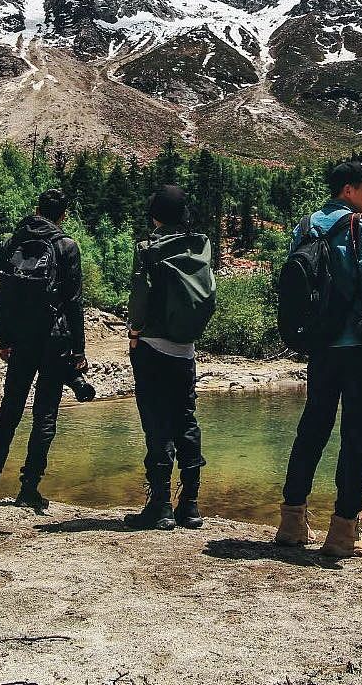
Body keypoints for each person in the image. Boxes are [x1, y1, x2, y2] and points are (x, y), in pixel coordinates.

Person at [274, 161, 362, 559]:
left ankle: (291, 522)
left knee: (312, 430)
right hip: (361, 349)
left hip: (322, 347)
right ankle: (343, 532)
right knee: (356, 438)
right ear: (349, 190)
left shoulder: (306, 227)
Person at [0, 188, 86, 513]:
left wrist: (3, 339)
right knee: (45, 416)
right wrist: (78, 349)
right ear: (63, 215)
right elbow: (74, 301)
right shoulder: (66, 247)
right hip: (53, 340)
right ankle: (28, 489)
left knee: (8, 414)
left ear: (37, 209)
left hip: (20, 340)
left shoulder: (12, 244)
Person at [124, 185, 214, 532]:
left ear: (155, 214)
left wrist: (134, 332)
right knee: (186, 420)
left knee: (156, 422)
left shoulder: (149, 248)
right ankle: (190, 506)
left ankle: (160, 506)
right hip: (185, 347)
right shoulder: (201, 245)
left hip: (152, 345)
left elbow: (140, 295)